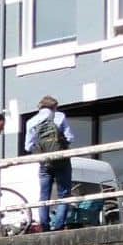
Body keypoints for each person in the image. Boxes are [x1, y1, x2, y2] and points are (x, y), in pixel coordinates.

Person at [25, 95, 75, 230]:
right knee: (64, 193)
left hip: (44, 163)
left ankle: (45, 226)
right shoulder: (60, 116)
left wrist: (41, 149)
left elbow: (28, 147)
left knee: (44, 195)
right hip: (61, 160)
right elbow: (70, 138)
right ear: (54, 106)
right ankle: (58, 225)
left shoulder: (31, 122)